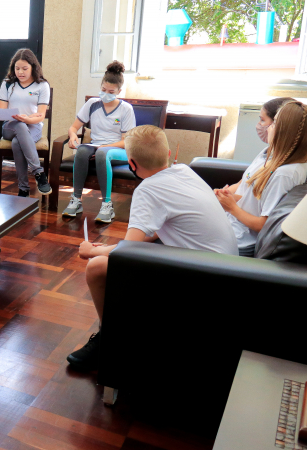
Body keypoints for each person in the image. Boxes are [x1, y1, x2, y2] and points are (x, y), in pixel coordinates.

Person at [67, 125, 238, 371]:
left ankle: (111, 339)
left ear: (131, 164)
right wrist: (110, 247)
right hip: (226, 270)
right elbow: (157, 229)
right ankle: (116, 333)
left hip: (207, 280)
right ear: (168, 153)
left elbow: (129, 254)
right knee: (108, 256)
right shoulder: (184, 170)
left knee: (96, 268)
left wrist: (92, 251)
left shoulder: (148, 190)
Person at [216, 99, 307, 256]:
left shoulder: (284, 174)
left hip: (239, 241)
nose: (269, 127)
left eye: (274, 123)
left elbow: (264, 224)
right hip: (230, 226)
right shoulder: (270, 154)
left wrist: (231, 207)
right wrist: (231, 197)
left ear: (283, 132)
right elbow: (256, 201)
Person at [62, 61, 136, 223]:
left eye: (111, 91)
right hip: (96, 147)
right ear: (101, 85)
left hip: (118, 150)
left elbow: (126, 142)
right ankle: (76, 200)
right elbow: (73, 128)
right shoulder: (92, 104)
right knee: (81, 151)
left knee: (102, 152)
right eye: (103, 90)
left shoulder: (126, 109)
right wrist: (73, 136)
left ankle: (107, 205)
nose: (106, 94)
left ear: (119, 91)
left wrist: (103, 147)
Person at [0, 48, 51, 197]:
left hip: (33, 126)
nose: (20, 72)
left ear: (33, 67)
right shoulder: (7, 84)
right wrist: (19, 118)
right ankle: (39, 173)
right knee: (20, 125)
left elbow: (40, 116)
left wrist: (28, 119)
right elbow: (2, 112)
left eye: (25, 68)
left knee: (16, 143)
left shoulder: (42, 85)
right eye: (17, 68)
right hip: (10, 126)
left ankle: (24, 189)